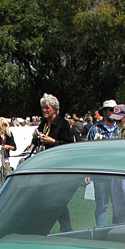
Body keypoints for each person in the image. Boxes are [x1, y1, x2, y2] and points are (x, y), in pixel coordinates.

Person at [35, 93, 76, 232]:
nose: (44, 110)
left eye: (47, 108)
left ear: (54, 108)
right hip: (44, 166)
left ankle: (66, 227)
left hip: (57, 167)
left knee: (57, 200)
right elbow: (37, 142)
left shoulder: (63, 124)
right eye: (43, 108)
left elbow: (68, 145)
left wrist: (52, 141)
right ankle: (58, 226)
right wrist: (36, 137)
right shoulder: (43, 123)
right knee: (45, 198)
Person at [0, 117, 17, 185]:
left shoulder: (9, 134)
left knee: (6, 174)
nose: (4, 127)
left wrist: (8, 147)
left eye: (5, 125)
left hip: (5, 157)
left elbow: (14, 147)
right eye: (2, 125)